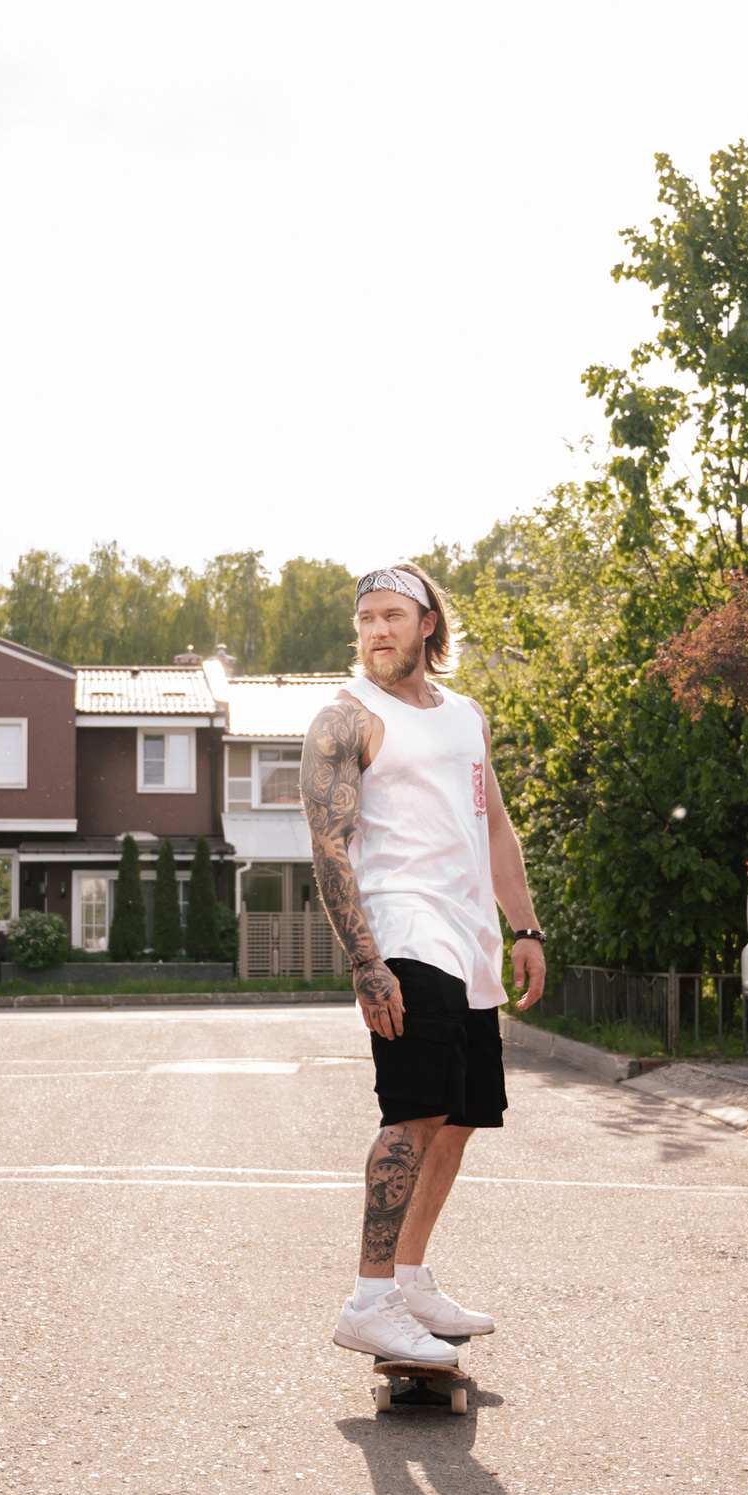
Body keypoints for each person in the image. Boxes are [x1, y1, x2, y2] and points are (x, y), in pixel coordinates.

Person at [302, 562, 546, 1365]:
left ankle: (407, 1279)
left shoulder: (465, 716)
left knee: (463, 1113)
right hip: (405, 935)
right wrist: (366, 961)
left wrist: (525, 927)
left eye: (392, 615)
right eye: (365, 617)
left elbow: (496, 826)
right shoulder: (345, 719)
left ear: (428, 624)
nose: (376, 630)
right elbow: (328, 844)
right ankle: (369, 1297)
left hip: (470, 939)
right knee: (412, 1112)